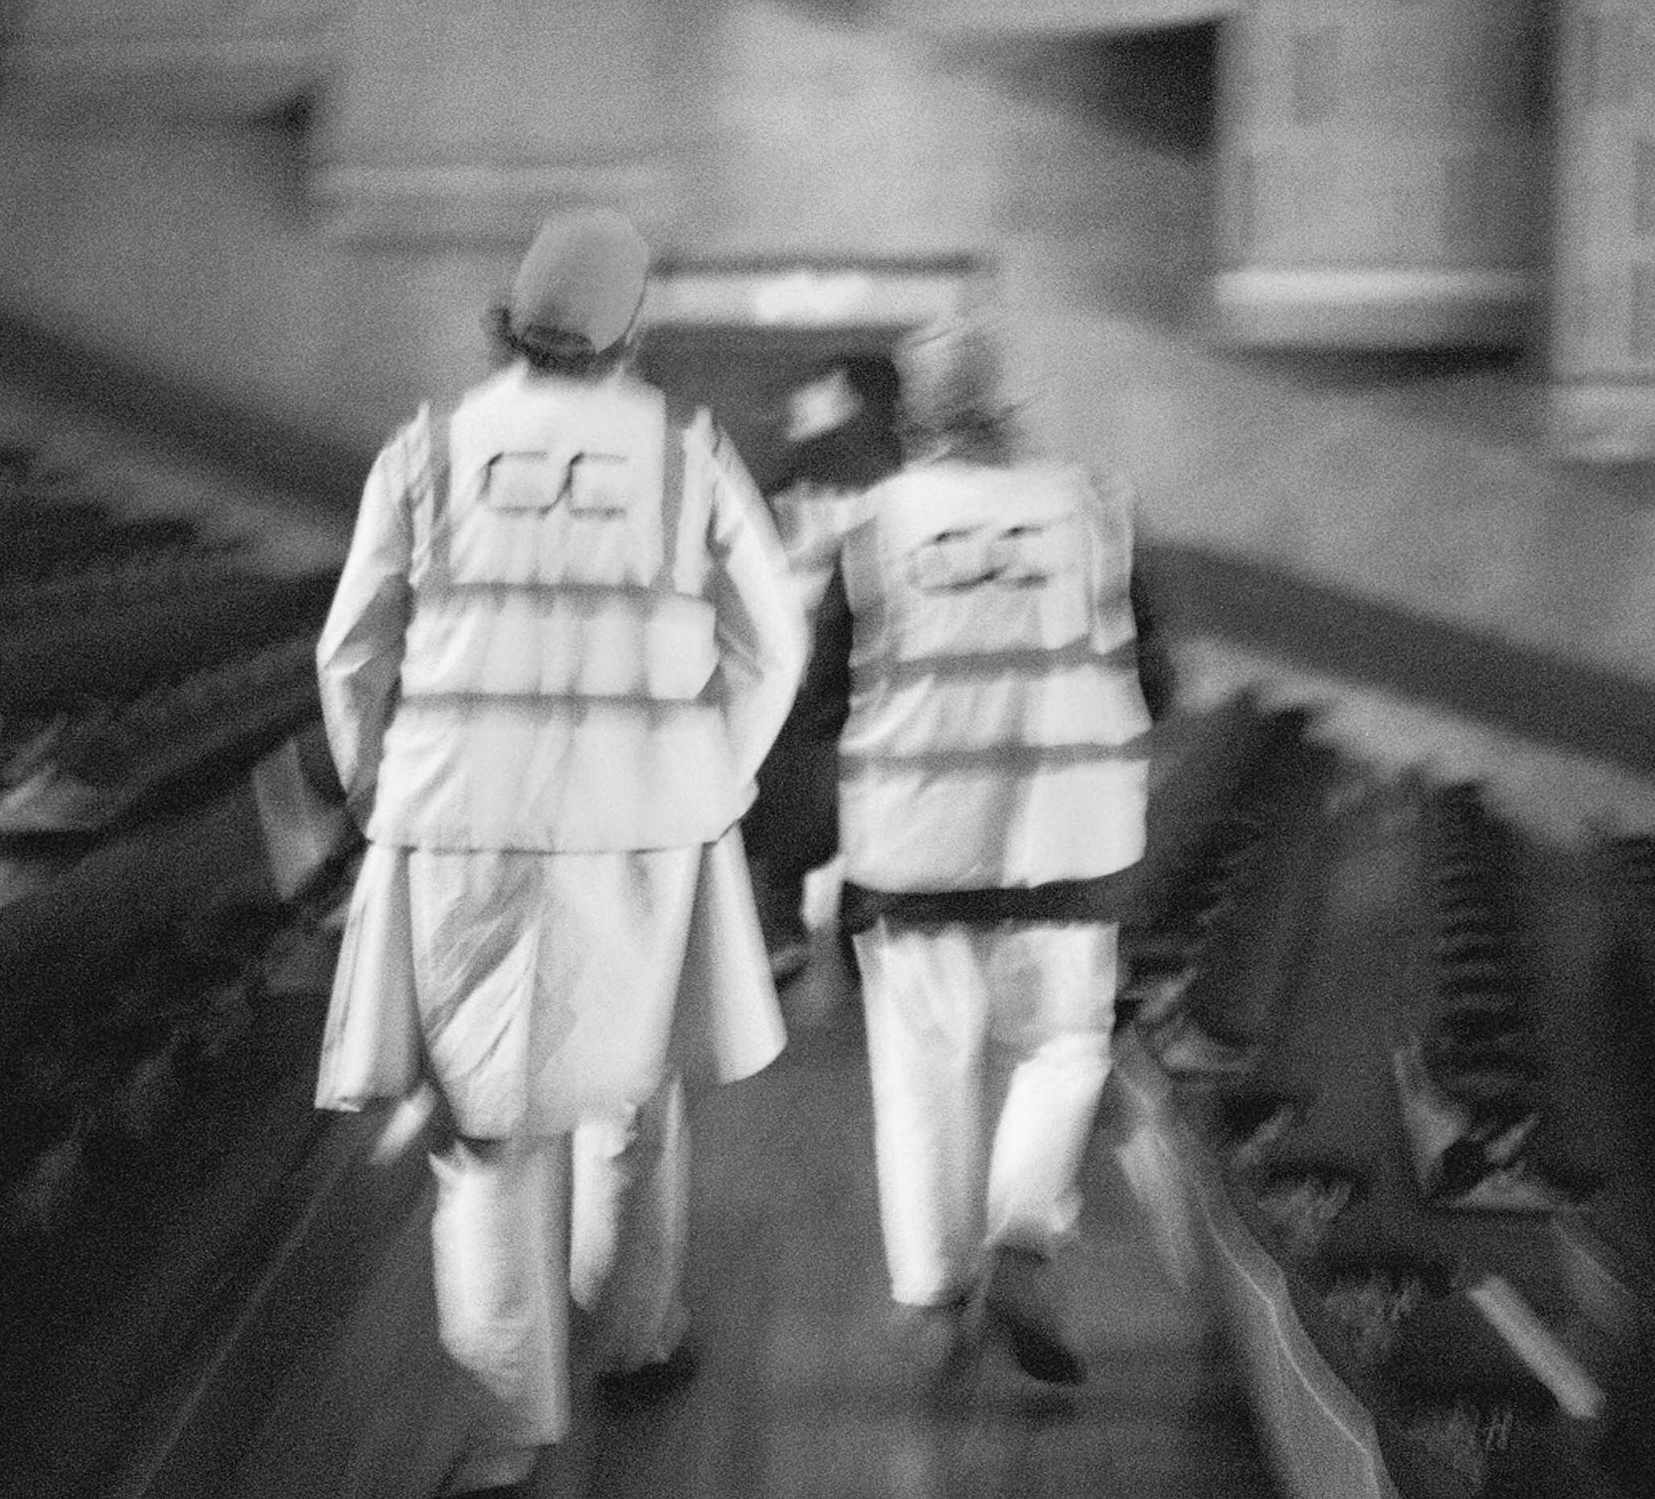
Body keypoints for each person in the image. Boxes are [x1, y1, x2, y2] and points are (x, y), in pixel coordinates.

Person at [312, 208, 807, 1496]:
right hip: (638, 830)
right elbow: (775, 638)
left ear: (507, 319)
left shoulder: (424, 451)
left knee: (482, 1136)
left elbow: (352, 650)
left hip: (462, 831)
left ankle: (504, 1434)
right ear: (633, 329)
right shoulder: (686, 453)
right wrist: (711, 772)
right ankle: (637, 1337)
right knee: (634, 1095)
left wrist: (385, 784)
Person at [790, 314, 1166, 1386]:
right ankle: (1018, 1235)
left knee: (922, 1077)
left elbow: (822, 700)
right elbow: (1159, 679)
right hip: (1063, 843)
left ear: (910, 417)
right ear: (1007, 406)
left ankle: (934, 1300)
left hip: (914, 856)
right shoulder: (1091, 510)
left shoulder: (874, 528)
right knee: (1061, 1052)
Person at [743, 353, 905, 983]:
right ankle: (805, 916)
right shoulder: (791, 483)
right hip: (817, 677)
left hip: (848, 675)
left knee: (821, 805)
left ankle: (814, 915)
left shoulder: (892, 491)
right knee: (802, 806)